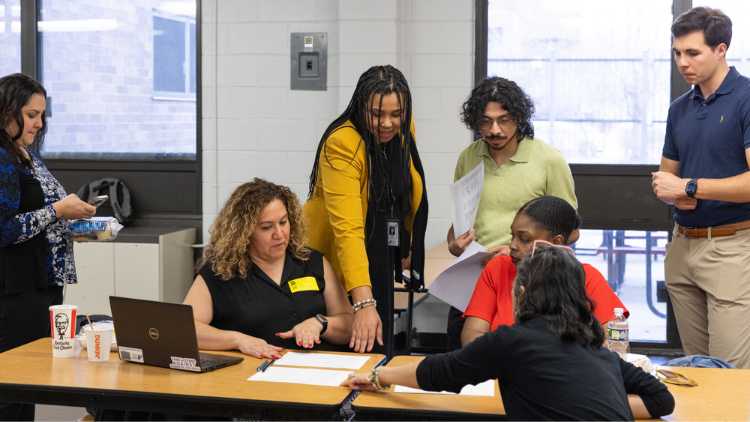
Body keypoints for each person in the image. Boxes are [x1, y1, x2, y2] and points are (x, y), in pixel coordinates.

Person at [342, 247, 675, 420]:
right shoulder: (594, 346)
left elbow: (440, 372)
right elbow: (661, 399)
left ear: (523, 292)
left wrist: (379, 374)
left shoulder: (513, 341)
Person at [303, 65, 428, 356]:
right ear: (361, 106)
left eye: (396, 114)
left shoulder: (403, 128)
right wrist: (363, 303)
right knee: (356, 342)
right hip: (341, 260)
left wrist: (406, 246)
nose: (387, 123)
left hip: (381, 251)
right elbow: (348, 230)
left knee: (379, 343)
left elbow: (402, 191)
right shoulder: (342, 143)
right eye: (377, 114)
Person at [444, 77, 577, 348]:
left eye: (503, 120)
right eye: (485, 121)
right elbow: (459, 223)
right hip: (473, 278)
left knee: (520, 362)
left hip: (530, 284)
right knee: (460, 359)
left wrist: (520, 249)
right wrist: (453, 243)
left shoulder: (548, 160)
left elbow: (571, 232)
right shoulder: (468, 157)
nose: (494, 130)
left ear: (519, 117)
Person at [651, 7, 750, 369]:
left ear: (721, 50)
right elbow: (667, 177)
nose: (683, 62)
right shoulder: (679, 108)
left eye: (693, 53)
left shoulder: (746, 98)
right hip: (682, 247)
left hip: (732, 249)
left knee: (729, 374)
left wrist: (691, 187)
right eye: (677, 53)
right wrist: (672, 190)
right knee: (696, 368)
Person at [0, 73, 96, 420]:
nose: (39, 123)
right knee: (13, 392)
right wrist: (58, 211)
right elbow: (4, 229)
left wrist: (74, 224)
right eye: (31, 114)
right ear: (6, 111)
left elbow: (42, 217)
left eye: (43, 115)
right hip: (14, 293)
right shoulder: (3, 158)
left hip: (39, 288)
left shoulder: (25, 154)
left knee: (28, 388)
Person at [183, 178, 353, 358]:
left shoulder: (312, 261)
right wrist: (238, 340)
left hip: (317, 370)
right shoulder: (220, 271)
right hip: (250, 375)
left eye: (283, 222)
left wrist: (320, 323)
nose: (279, 234)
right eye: (266, 227)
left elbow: (350, 325)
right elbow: (184, 328)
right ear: (245, 232)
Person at [461, 196, 627, 346]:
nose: (512, 245)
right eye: (512, 236)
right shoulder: (499, 268)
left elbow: (615, 341)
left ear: (555, 242)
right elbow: (472, 336)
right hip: (502, 374)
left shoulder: (586, 277)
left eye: (524, 239)